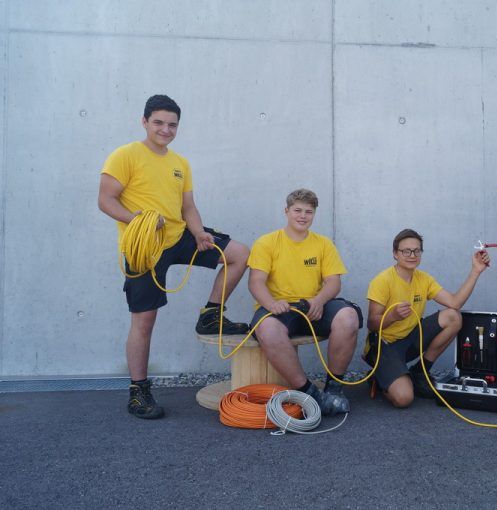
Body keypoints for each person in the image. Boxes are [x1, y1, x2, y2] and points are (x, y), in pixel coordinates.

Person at [98, 95, 251, 419]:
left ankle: (211, 314)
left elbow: (188, 207)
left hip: (179, 234)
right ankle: (138, 391)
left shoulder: (180, 163)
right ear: (144, 122)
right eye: (159, 123)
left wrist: (197, 232)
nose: (165, 130)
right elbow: (105, 200)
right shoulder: (125, 155)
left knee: (238, 253)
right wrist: (137, 220)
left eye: (172, 125)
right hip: (145, 246)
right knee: (144, 320)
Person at [247, 189, 362, 416]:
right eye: (297, 210)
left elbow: (333, 282)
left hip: (313, 307)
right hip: (281, 308)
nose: (303, 216)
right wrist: (271, 304)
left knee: (349, 317)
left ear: (314, 214)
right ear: (286, 211)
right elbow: (256, 282)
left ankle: (334, 388)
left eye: (308, 211)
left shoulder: (323, 244)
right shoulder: (267, 242)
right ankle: (310, 394)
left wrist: (318, 301)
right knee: (268, 329)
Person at [364, 229, 491, 408]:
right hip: (384, 346)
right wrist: (391, 316)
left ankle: (419, 372)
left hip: (411, 339)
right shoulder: (382, 281)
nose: (412, 255)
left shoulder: (424, 279)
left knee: (453, 317)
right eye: (406, 251)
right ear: (395, 254)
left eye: (417, 250)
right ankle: (379, 380)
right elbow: (371, 323)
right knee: (404, 399)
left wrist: (475, 271)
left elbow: (454, 302)